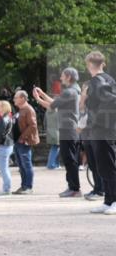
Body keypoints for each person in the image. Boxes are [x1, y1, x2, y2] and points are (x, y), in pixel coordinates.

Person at [33, 69, 82, 197]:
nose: (60, 77)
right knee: (70, 159)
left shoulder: (69, 92)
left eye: (62, 75)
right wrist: (42, 94)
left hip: (68, 130)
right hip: (71, 129)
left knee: (69, 159)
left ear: (68, 76)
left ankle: (74, 188)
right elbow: (54, 103)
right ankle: (73, 187)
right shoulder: (73, 90)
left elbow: (51, 106)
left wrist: (38, 98)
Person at [83, 51, 116, 214]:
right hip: (102, 129)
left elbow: (111, 102)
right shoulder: (105, 80)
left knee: (108, 165)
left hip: (103, 130)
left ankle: (114, 200)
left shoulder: (98, 81)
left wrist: (96, 122)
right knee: (103, 166)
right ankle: (108, 200)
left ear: (89, 64)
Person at [12, 90, 39, 195]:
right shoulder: (21, 109)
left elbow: (33, 125)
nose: (14, 99)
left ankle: (28, 187)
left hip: (24, 141)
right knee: (21, 165)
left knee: (26, 164)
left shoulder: (28, 109)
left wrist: (23, 137)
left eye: (16, 97)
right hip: (18, 141)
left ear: (22, 98)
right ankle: (23, 186)